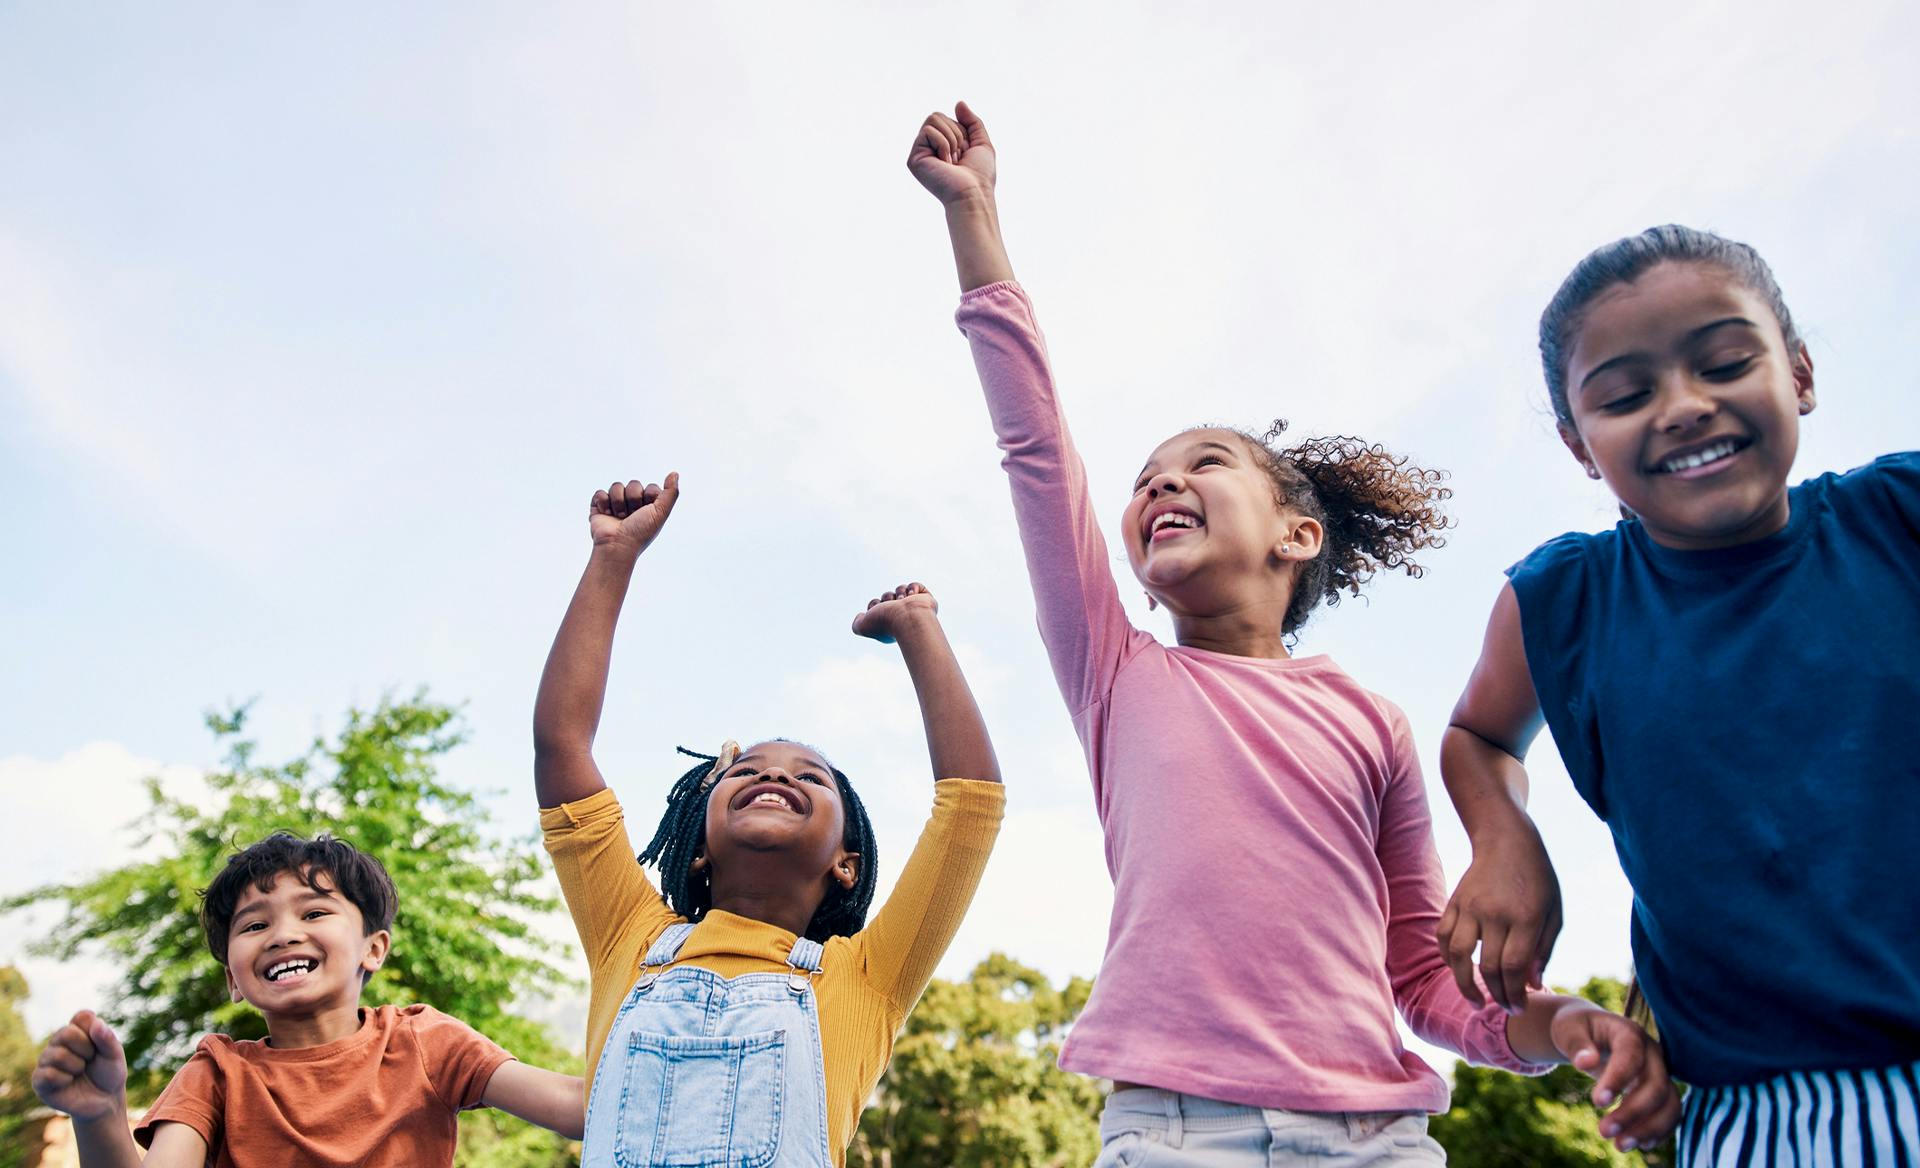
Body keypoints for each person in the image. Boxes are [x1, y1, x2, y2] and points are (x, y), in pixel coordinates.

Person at [908, 102, 1676, 1164]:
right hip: (1175, 1130)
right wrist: (975, 219)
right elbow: (1037, 450)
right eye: (1145, 481)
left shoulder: (1372, 722)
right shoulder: (1114, 671)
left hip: (1376, 1136)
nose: (1163, 480)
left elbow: (1423, 978)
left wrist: (1555, 1027)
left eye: (1205, 462)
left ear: (1297, 534)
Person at [1437, 224, 1920, 1163]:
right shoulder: (1564, 600)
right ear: (1582, 447)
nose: (1685, 406)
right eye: (1627, 395)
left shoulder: (1899, 519)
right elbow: (1478, 735)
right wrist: (1504, 839)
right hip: (1757, 1112)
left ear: (1802, 375)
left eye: (1726, 362)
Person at [532, 473, 1005, 1167]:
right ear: (697, 849)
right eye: (746, 770)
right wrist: (612, 558)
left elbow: (970, 806)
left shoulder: (869, 976)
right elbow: (562, 747)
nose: (775, 773)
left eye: (809, 776)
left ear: (846, 860)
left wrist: (918, 628)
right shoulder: (626, 939)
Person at [32, 832, 583, 1167]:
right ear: (232, 978)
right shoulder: (216, 1073)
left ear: (374, 948)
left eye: (314, 912)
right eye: (253, 925)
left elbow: (570, 1106)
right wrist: (100, 1113)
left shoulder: (424, 1042)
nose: (282, 934)